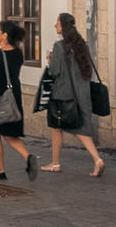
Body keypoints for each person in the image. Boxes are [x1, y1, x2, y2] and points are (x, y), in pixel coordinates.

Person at [43, 11, 105, 177]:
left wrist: (50, 59)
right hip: (82, 93)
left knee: (57, 127)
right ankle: (97, 160)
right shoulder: (82, 45)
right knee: (79, 128)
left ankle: (55, 163)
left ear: (63, 26)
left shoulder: (59, 47)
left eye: (57, 22)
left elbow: (55, 71)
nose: (55, 25)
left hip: (63, 94)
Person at [0, 19, 35, 181]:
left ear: (4, 35)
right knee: (10, 134)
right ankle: (27, 157)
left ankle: (0, 170)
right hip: (13, 98)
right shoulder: (18, 54)